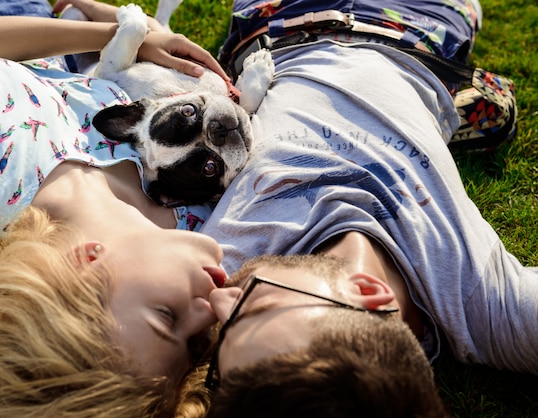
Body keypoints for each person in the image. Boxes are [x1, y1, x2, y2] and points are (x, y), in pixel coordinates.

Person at [192, 0, 538, 415]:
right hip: (415, 24)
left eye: (217, 357)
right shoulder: (485, 305)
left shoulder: (219, 265)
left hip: (274, 24)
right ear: (367, 293)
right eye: (258, 308)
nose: (217, 305)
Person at [0, 10, 231, 417]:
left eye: (168, 318)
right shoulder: (196, 214)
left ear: (86, 266)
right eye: (195, 347)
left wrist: (118, 35)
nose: (210, 313)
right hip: (65, 48)